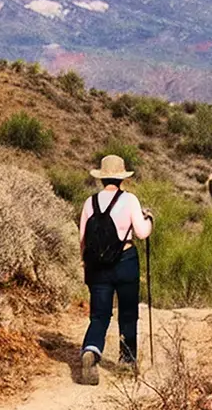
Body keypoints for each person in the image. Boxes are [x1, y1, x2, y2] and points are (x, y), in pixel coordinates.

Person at [76, 153, 153, 384]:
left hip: (97, 266)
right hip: (126, 260)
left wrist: (85, 263)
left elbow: (83, 238)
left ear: (101, 178)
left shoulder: (89, 202)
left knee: (99, 315)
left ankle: (91, 349)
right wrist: (149, 219)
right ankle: (127, 362)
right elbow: (141, 232)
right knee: (128, 313)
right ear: (122, 178)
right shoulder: (130, 200)